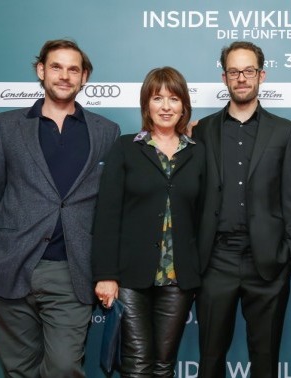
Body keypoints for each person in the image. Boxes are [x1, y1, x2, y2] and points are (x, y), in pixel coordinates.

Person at [0, 38, 121, 377]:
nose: (64, 76)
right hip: (8, 264)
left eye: (73, 69)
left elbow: (111, 209)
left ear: (84, 77)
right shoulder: (7, 125)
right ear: (41, 70)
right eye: (56, 66)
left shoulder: (106, 132)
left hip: (71, 271)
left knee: (64, 367)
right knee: (18, 369)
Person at [192, 41, 291, 378]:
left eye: (249, 71)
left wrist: (289, 254)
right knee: (210, 358)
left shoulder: (285, 131)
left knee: (265, 360)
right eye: (234, 71)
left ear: (261, 75)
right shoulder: (203, 130)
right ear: (224, 77)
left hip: (267, 263)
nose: (242, 78)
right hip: (215, 261)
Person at [91, 66, 205, 377]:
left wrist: (199, 272)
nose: (166, 107)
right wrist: (105, 275)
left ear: (184, 106)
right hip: (130, 276)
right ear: (146, 105)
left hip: (178, 278)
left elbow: (204, 217)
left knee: (164, 364)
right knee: (138, 363)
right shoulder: (127, 148)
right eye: (158, 98)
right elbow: (107, 215)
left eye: (174, 99)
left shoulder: (198, 152)